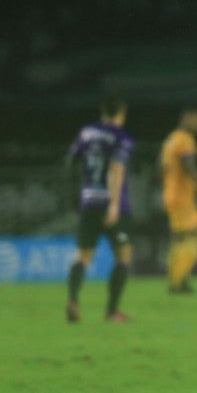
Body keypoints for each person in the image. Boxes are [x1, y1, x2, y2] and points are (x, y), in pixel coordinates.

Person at [64, 93, 134, 322]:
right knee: (123, 255)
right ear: (122, 113)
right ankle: (112, 311)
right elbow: (116, 168)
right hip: (112, 204)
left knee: (83, 256)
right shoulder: (121, 137)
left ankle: (73, 300)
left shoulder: (86, 132)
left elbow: (71, 161)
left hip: (89, 200)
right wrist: (113, 204)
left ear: (102, 111)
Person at [160, 107, 197, 294]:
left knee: (180, 238)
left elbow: (163, 167)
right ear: (187, 118)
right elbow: (188, 165)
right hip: (182, 197)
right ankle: (178, 280)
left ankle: (177, 279)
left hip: (171, 194)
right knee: (195, 233)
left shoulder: (171, 140)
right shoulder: (185, 140)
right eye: (196, 120)